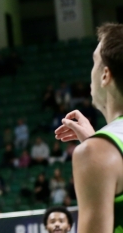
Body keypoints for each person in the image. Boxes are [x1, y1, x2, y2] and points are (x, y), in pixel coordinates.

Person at [54, 24, 123, 232]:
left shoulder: (96, 153)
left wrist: (97, 151)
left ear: (105, 75)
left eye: (94, 61)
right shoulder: (104, 151)